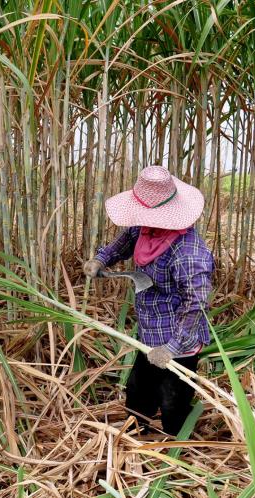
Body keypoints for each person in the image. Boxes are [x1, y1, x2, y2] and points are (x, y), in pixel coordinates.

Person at [83, 165, 213, 436]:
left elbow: (196, 303)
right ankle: (134, 441)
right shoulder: (145, 229)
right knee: (138, 395)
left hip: (178, 342)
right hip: (150, 333)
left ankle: (176, 450)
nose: (143, 222)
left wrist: (171, 348)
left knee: (173, 404)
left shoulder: (188, 252)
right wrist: (101, 259)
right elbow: (123, 242)